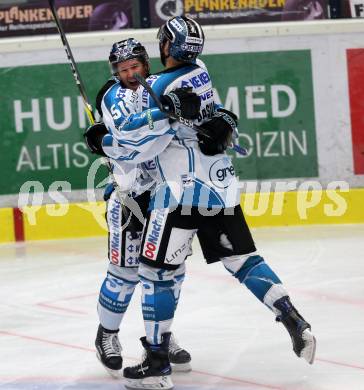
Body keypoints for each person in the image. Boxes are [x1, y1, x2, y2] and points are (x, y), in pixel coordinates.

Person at [100, 17, 316, 390]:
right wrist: (224, 120)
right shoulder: (200, 70)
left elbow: (139, 145)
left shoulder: (159, 86)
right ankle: (292, 317)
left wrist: (102, 141)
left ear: (165, 47)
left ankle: (156, 364)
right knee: (243, 261)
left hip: (180, 193)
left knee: (155, 274)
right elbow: (217, 115)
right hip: (220, 184)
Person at [84, 38, 198, 378]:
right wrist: (113, 138)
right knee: (124, 275)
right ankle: (107, 334)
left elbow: (157, 137)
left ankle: (158, 339)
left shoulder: (163, 87)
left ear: (146, 65)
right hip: (130, 198)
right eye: (123, 70)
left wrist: (107, 140)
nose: (130, 74)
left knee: (168, 275)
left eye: (135, 67)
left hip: (167, 196)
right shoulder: (112, 95)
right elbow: (140, 143)